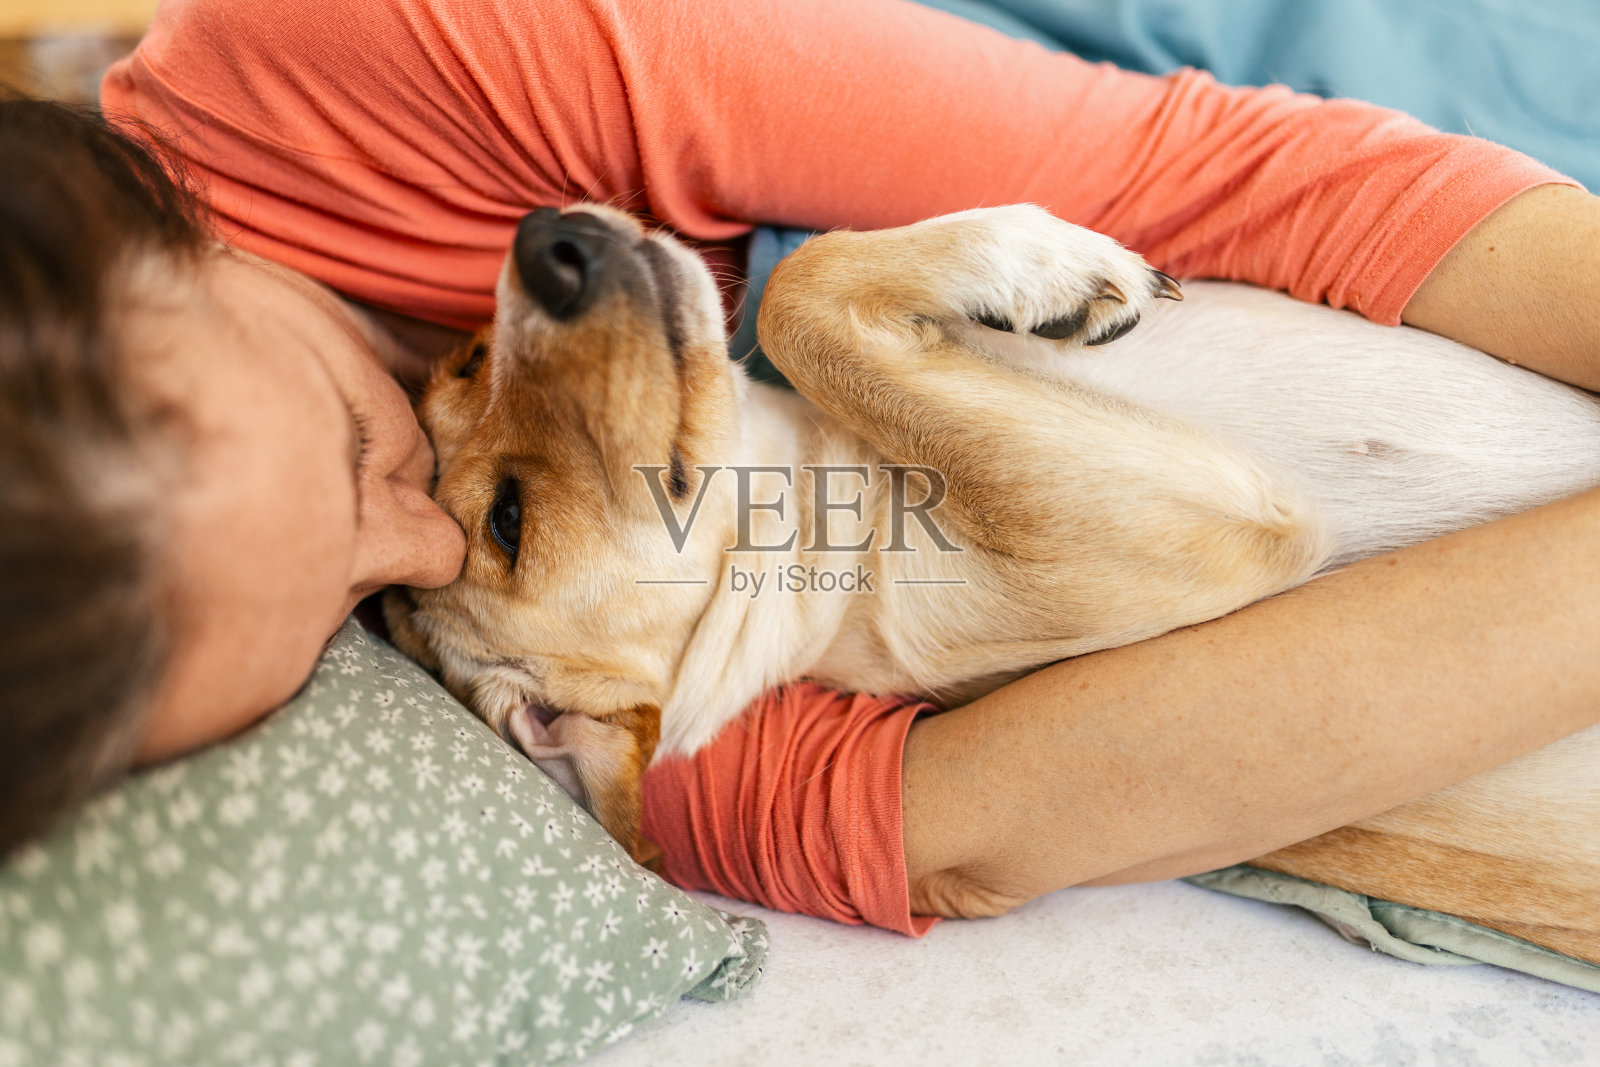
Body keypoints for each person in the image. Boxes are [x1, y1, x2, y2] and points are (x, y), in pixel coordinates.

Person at [3, 0, 1598, 934]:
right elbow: (954, 826)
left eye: (358, 441)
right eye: (322, 635)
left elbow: (1232, 174)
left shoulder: (375, 54)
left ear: (138, 226)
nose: (421, 554)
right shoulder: (530, 672)